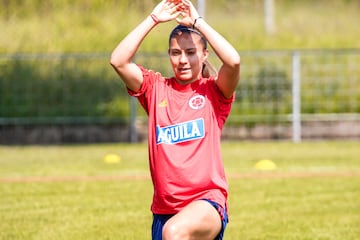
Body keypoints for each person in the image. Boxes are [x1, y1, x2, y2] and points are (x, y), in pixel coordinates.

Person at [110, 0, 240, 239]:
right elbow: (118, 61)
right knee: (172, 230)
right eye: (176, 52)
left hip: (207, 203)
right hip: (164, 211)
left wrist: (198, 22)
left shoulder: (213, 92)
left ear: (204, 55)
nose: (182, 60)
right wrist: (153, 19)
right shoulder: (155, 88)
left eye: (190, 52)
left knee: (175, 232)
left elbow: (233, 61)